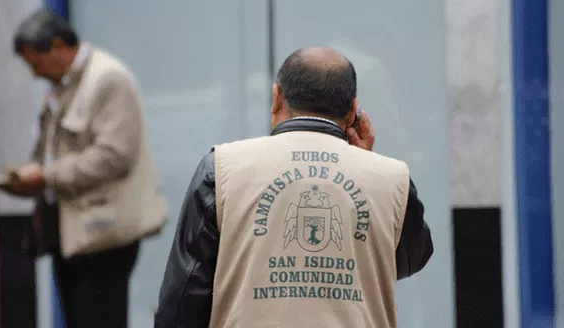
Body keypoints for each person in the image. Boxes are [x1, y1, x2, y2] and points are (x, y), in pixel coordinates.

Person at [154, 46, 433, 328]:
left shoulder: (220, 169)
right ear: (352, 112)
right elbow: (407, 260)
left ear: (276, 98)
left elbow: (183, 299)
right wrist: (366, 166)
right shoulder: (390, 177)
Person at [0, 9, 167, 328]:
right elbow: (51, 149)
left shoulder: (107, 78)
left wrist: (47, 176)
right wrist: (27, 176)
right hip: (70, 230)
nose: (35, 74)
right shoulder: (62, 85)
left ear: (59, 45)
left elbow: (115, 155)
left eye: (36, 63)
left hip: (104, 233)